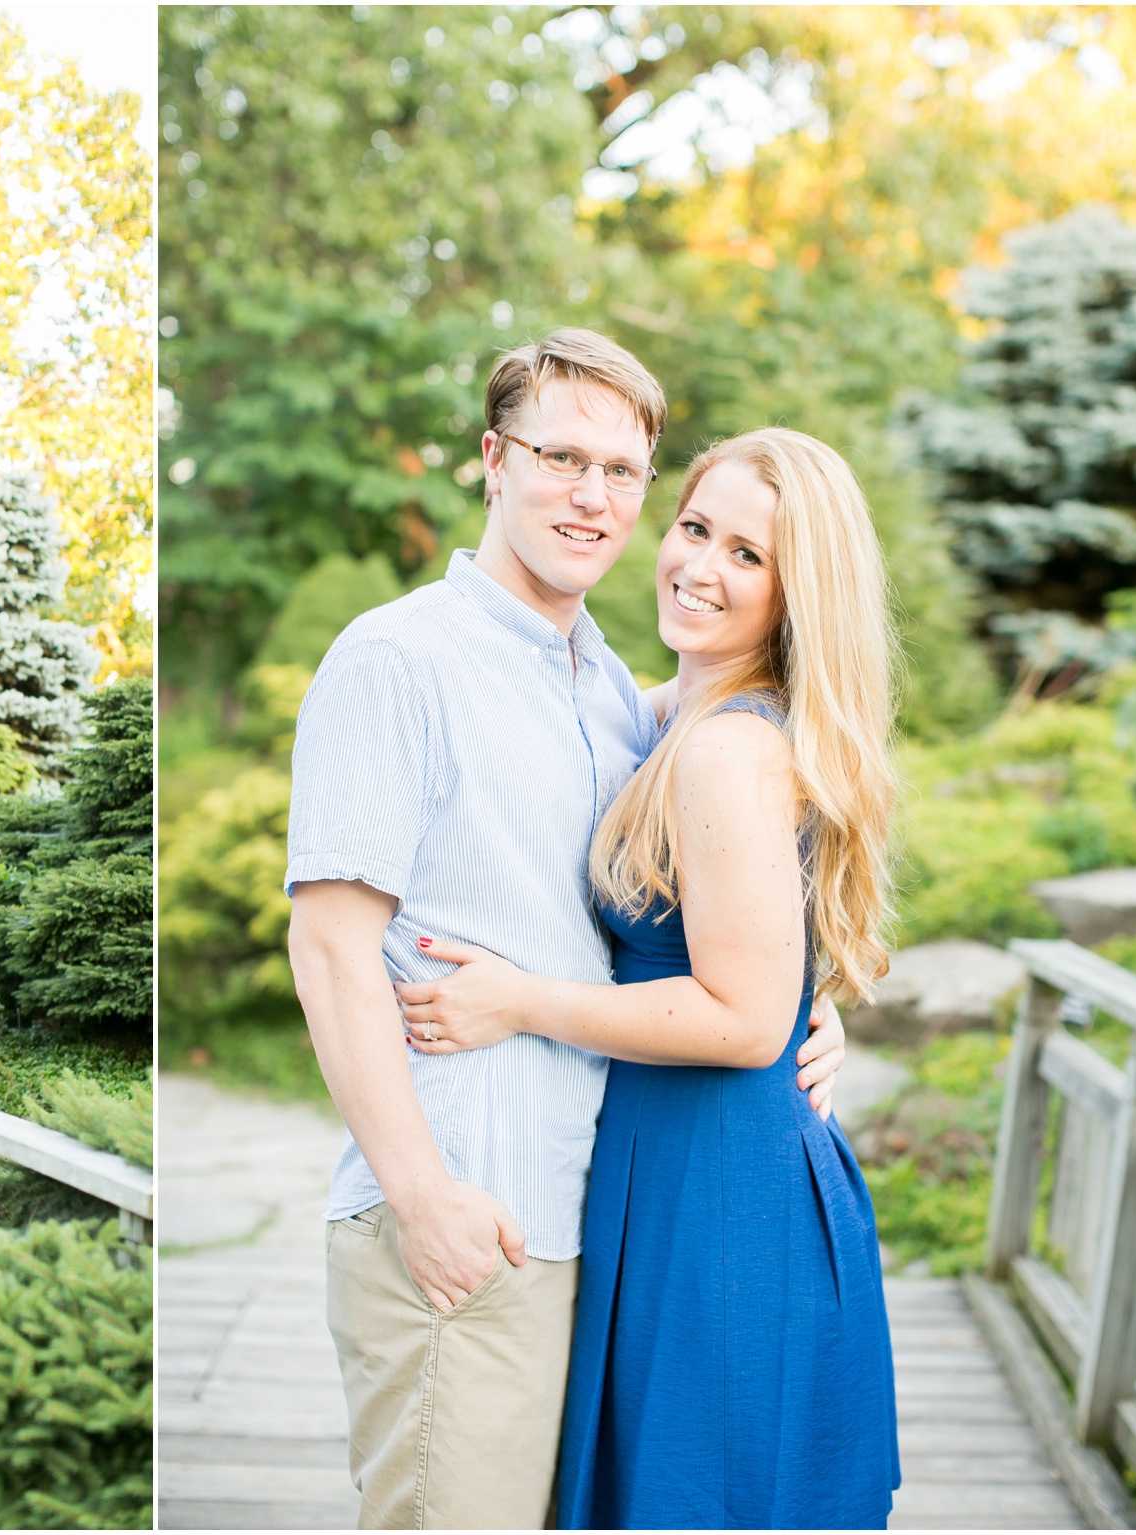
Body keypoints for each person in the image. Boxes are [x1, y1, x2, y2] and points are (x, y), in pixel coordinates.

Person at [285, 329, 849, 1529]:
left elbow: (718, 912)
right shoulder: (397, 659)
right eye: (560, 456)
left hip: (593, 1225)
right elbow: (330, 946)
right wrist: (420, 1191)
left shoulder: (611, 687)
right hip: (461, 1215)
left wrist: (804, 1008)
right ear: (493, 459)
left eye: (622, 472)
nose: (592, 497)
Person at [399, 428, 902, 1528]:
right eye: (693, 528)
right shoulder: (661, 715)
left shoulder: (729, 746)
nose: (698, 566)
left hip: (719, 1192)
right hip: (673, 1166)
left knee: (698, 1491)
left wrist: (517, 998)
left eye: (747, 555)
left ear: (795, 593)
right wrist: (805, 1006)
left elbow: (738, 1015)